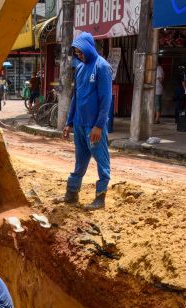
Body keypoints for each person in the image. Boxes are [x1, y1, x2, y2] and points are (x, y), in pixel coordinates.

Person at [58, 32, 112, 210]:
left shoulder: (102, 67)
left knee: (101, 162)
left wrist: (99, 125)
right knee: (80, 161)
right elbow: (76, 97)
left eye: (80, 51)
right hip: (80, 125)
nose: (79, 55)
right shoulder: (80, 68)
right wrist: (69, 122)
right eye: (76, 52)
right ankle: (71, 194)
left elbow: (106, 100)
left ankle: (99, 199)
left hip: (93, 127)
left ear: (88, 47)